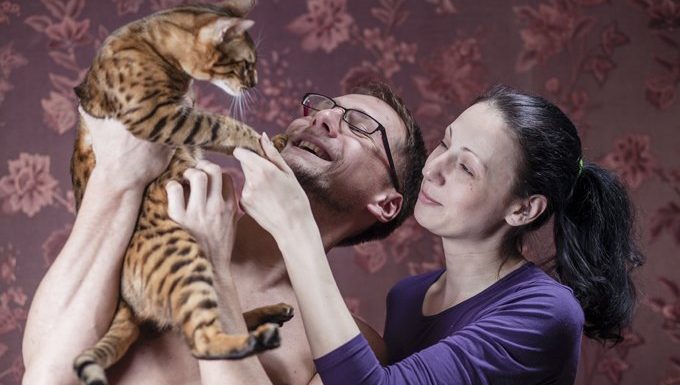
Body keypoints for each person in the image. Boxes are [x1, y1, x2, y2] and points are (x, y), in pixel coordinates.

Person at [228, 84, 645, 385]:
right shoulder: (408, 298)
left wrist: (295, 225)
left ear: (523, 208)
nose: (433, 169)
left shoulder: (545, 311)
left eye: (466, 168)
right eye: (445, 145)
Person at [21, 82, 428, 385]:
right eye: (322, 106)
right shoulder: (166, 209)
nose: (323, 117)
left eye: (360, 125)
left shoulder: (356, 348)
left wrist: (213, 265)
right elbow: (46, 372)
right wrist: (119, 176)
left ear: (385, 203)